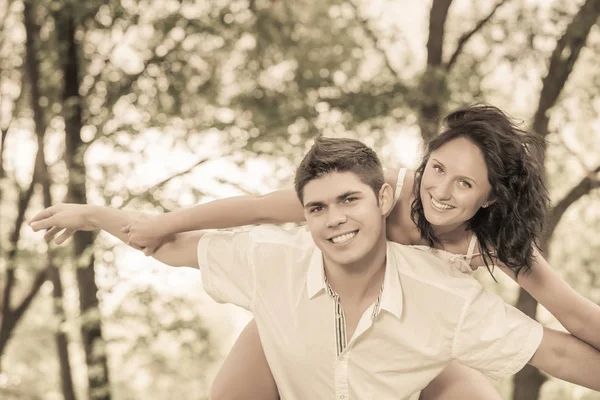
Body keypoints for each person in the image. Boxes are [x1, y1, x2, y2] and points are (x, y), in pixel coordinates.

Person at [31, 135, 600, 399]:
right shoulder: (384, 193)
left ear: (490, 199)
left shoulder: (496, 248)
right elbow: (255, 209)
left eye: (465, 184)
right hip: (309, 308)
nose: (441, 191)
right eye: (438, 168)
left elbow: (573, 324)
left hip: (417, 336)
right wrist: (155, 220)